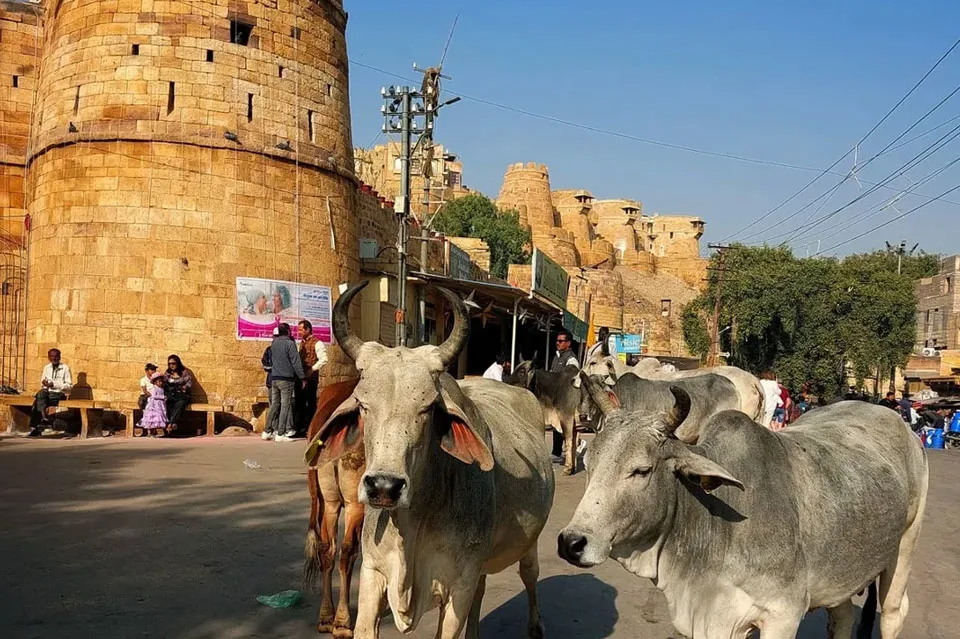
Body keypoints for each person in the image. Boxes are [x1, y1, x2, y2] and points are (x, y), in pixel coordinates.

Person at [264, 322, 304, 442]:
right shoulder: (289, 344)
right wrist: (302, 377)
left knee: (275, 405)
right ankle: (281, 433)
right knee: (285, 405)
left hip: (274, 378)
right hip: (286, 379)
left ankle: (267, 431)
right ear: (288, 331)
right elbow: (295, 361)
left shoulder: (274, 344)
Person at [549, 330, 580, 462]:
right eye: (557, 341)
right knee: (556, 424)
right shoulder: (556, 357)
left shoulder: (571, 359)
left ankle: (575, 445)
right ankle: (557, 452)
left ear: (568, 343)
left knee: (564, 425)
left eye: (561, 341)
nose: (558, 343)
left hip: (566, 397)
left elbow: (572, 378)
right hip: (555, 396)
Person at [29, 348, 73, 437]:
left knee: (38, 399)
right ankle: (44, 420)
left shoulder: (65, 368)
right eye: (52, 356)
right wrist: (45, 383)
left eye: (56, 356)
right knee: (41, 394)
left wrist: (55, 385)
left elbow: (69, 386)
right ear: (49, 357)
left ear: (60, 357)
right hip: (47, 394)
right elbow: (42, 382)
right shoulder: (47, 367)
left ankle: (37, 425)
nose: (54, 358)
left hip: (60, 393)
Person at [296, 319, 326, 436]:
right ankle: (300, 428)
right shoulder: (301, 343)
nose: (299, 332)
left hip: (311, 378)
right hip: (301, 377)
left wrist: (312, 369)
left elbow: (324, 359)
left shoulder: (317, 343)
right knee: (300, 403)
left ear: (308, 329)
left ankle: (311, 428)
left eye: (301, 330)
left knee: (311, 402)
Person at [164, 354, 193, 432]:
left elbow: (189, 383)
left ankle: (170, 424)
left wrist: (183, 387)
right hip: (172, 395)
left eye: (173, 363)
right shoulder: (167, 373)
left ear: (177, 363)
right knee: (168, 403)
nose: (171, 365)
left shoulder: (184, 372)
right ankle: (171, 424)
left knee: (180, 403)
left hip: (182, 395)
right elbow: (164, 383)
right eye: (169, 364)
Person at [137, 372, 169, 437]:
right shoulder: (154, 388)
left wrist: (164, 399)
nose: (161, 383)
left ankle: (157, 431)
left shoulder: (161, 389)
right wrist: (162, 397)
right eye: (159, 381)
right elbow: (153, 396)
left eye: (161, 382)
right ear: (154, 382)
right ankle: (152, 431)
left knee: (159, 417)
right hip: (154, 406)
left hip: (160, 405)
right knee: (154, 418)